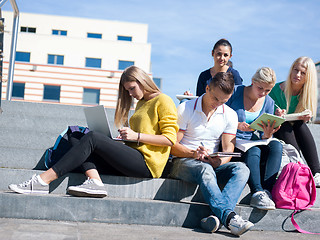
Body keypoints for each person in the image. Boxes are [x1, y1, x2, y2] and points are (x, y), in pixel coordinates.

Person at [8, 66, 179, 197]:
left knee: (93, 138)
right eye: (127, 90)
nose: (130, 93)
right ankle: (95, 182)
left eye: (132, 88)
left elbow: (170, 140)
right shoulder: (141, 103)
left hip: (147, 164)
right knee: (75, 135)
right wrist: (124, 140)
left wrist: (136, 136)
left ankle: (42, 181)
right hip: (132, 156)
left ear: (143, 81)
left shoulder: (163, 100)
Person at [170, 72, 253, 237]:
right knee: (205, 170)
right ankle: (230, 218)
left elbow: (228, 150)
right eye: (216, 99)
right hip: (183, 162)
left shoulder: (229, 114)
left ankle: (216, 217)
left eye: (224, 101)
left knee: (242, 169)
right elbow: (172, 147)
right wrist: (193, 154)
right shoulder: (186, 108)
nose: (218, 104)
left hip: (209, 164)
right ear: (207, 88)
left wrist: (219, 162)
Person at [226, 67, 282, 210]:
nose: (262, 93)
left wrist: (268, 134)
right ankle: (257, 192)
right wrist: (237, 124)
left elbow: (263, 135)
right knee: (254, 150)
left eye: (267, 90)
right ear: (252, 81)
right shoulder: (235, 92)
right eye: (260, 88)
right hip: (232, 140)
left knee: (277, 146)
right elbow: (219, 114)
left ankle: (267, 192)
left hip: (252, 141)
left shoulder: (268, 102)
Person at [269, 56, 320, 187]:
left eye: (303, 73)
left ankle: (317, 173)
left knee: (300, 124)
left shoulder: (306, 93)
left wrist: (304, 117)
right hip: (276, 130)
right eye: (295, 70)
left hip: (295, 131)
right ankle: (301, 168)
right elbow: (269, 117)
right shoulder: (276, 90)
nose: (297, 75)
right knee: (284, 123)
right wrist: (278, 114)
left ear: (308, 77)